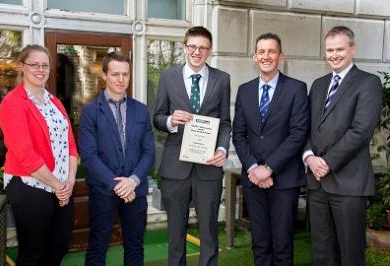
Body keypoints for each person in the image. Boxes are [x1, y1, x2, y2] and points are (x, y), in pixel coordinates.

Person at [303, 26, 383, 266]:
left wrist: (326, 163)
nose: (334, 55)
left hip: (349, 183)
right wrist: (309, 157)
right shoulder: (318, 84)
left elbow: (361, 131)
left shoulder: (368, 83)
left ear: (352, 49)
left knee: (350, 253)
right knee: (322, 251)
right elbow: (305, 128)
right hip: (317, 183)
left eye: (339, 49)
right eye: (329, 50)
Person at [153, 26, 231, 266]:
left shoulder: (222, 79)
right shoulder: (168, 77)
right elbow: (157, 117)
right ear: (185, 47)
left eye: (203, 48)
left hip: (208, 168)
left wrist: (222, 149)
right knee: (176, 233)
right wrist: (170, 121)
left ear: (209, 50)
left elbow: (225, 123)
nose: (197, 52)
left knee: (209, 231)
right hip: (176, 168)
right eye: (193, 46)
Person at [232, 33, 309, 265]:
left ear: (280, 56)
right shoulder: (244, 90)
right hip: (253, 179)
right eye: (262, 52)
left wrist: (269, 168)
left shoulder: (296, 89)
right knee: (260, 241)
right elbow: (239, 134)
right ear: (255, 57)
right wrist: (255, 168)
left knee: (283, 243)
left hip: (284, 179)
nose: (266, 56)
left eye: (271, 51)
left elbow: (298, 134)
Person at [0, 44, 78, 265]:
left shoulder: (55, 102)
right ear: (22, 67)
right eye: (34, 64)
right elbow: (25, 154)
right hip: (30, 184)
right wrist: (57, 184)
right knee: (33, 253)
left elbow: (70, 143)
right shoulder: (13, 103)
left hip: (62, 186)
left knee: (59, 246)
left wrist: (69, 181)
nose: (40, 69)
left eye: (45, 65)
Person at [78, 51, 155, 266]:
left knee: (134, 246)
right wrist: (118, 186)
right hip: (103, 190)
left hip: (136, 190)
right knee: (97, 246)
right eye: (115, 74)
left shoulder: (141, 111)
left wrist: (133, 181)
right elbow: (89, 156)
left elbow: (149, 152)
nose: (121, 80)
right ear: (104, 76)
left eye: (126, 74)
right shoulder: (90, 111)